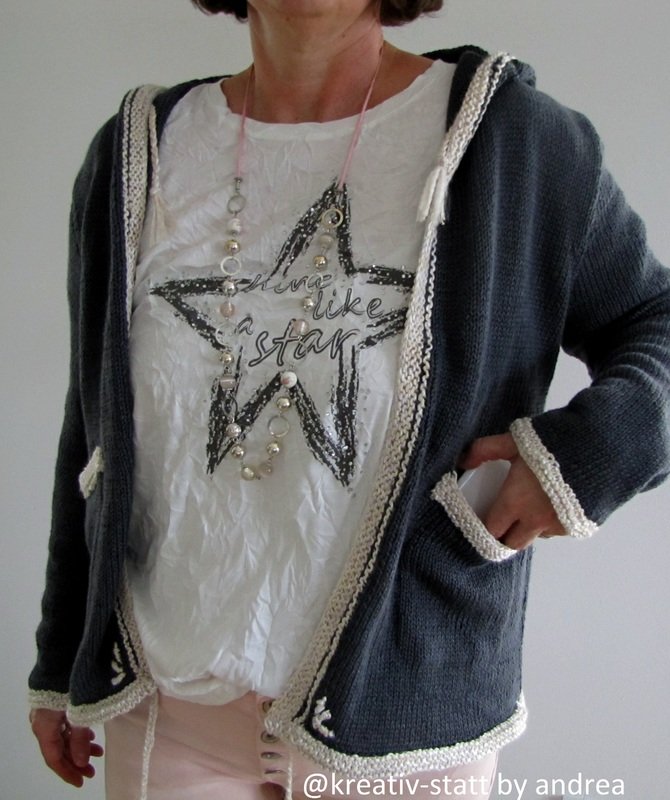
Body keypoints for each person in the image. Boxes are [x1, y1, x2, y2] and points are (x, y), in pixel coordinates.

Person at [28, 1, 670, 799]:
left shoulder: (520, 145)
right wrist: (60, 655)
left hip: (409, 731)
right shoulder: (138, 151)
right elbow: (90, 425)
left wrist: (582, 459)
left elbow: (656, 323)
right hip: (167, 716)